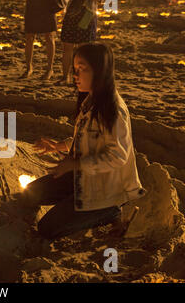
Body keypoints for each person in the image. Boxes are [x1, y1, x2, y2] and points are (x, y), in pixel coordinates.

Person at [20, 43, 145, 240]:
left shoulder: (112, 110)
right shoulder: (90, 101)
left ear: (100, 71)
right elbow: (89, 139)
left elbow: (118, 156)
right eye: (75, 69)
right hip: (83, 176)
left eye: (82, 69)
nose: (75, 75)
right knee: (30, 194)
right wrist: (59, 145)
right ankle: (74, 203)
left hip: (105, 189)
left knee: (47, 229)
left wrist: (76, 164)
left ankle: (109, 212)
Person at [56, 0, 104, 86]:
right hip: (72, 14)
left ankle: (81, 78)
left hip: (88, 14)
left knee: (83, 49)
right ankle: (65, 77)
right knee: (67, 46)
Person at [21, 0, 58, 80]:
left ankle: (50, 69)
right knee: (29, 36)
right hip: (33, 2)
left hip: (47, 2)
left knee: (49, 36)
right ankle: (29, 67)